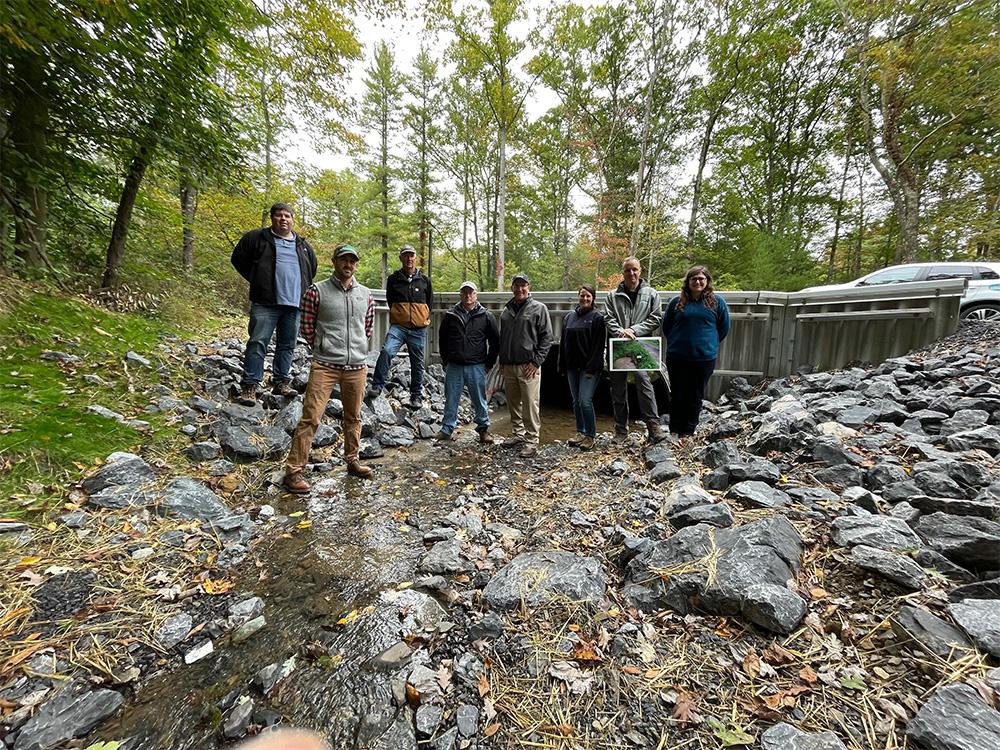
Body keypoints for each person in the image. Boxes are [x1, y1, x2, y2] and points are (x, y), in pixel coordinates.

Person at [283, 244, 375, 493]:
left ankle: (352, 460)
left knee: (354, 417)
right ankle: (293, 472)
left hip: (356, 365)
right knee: (311, 417)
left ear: (356, 264)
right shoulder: (317, 291)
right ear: (334, 262)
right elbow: (308, 327)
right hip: (325, 365)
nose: (348, 265)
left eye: (352, 261)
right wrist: (324, 347)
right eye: (344, 260)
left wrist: (358, 348)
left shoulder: (366, 294)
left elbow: (367, 327)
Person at [231, 203, 318, 405]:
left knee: (287, 345)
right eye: (279, 215)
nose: (283, 219)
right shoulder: (257, 238)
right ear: (272, 218)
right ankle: (250, 385)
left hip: (294, 303)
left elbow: (311, 269)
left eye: (287, 216)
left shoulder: (303, 245)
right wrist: (256, 279)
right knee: (258, 342)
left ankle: (281, 381)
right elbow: (238, 259)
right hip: (265, 302)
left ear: (292, 219)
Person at [662, 265, 730, 438]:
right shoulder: (676, 302)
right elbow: (667, 326)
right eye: (694, 279)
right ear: (688, 282)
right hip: (677, 357)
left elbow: (723, 329)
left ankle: (688, 430)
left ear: (707, 281)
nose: (698, 282)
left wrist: (708, 345)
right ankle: (674, 429)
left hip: (703, 359)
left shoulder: (717, 303)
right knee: (677, 393)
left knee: (695, 395)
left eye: (701, 279)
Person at [604, 256, 666, 442]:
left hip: (641, 345)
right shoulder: (612, 296)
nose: (631, 273)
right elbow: (607, 318)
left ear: (640, 271)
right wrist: (620, 332)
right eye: (627, 270)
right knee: (617, 388)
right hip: (618, 345)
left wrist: (633, 330)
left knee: (643, 380)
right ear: (623, 273)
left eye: (634, 269)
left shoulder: (652, 294)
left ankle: (653, 426)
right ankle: (621, 431)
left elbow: (656, 318)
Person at [366, 245, 433, 408]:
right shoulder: (393, 279)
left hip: (418, 329)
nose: (409, 259)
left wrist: (421, 316)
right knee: (387, 351)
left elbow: (429, 302)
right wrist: (400, 314)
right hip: (399, 327)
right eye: (406, 256)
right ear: (401, 258)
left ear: (415, 258)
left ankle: (416, 396)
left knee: (417, 363)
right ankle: (377, 386)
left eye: (412, 255)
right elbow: (390, 300)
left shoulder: (424, 280)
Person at [437, 281, 500, 443]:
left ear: (476, 295)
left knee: (480, 399)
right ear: (460, 295)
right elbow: (442, 339)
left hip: (476, 365)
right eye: (464, 292)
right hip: (455, 366)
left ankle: (483, 430)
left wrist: (489, 363)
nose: (468, 296)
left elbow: (495, 342)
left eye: (471, 292)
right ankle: (446, 429)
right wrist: (446, 360)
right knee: (451, 398)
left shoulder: (486, 316)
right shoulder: (450, 315)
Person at [498, 273, 553, 459]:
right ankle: (518, 435)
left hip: (528, 366)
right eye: (516, 285)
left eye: (523, 285)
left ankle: (532, 441)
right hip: (509, 365)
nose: (520, 289)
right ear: (512, 288)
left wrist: (537, 361)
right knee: (513, 403)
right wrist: (502, 361)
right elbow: (503, 339)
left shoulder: (539, 308)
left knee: (530, 404)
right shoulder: (506, 311)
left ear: (529, 287)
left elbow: (547, 338)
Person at [558, 285, 606, 450]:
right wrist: (562, 365)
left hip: (589, 368)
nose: (585, 299)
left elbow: (599, 346)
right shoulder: (569, 317)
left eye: (588, 296)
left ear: (593, 299)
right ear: (578, 297)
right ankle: (580, 431)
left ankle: (590, 435)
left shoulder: (597, 317)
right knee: (576, 401)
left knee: (585, 400)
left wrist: (592, 369)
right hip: (572, 366)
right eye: (582, 296)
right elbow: (563, 343)